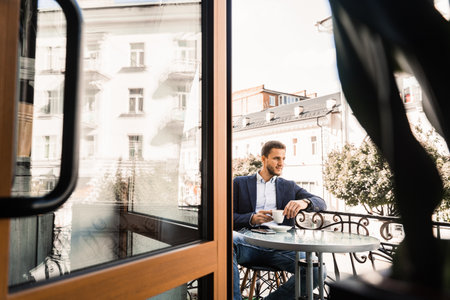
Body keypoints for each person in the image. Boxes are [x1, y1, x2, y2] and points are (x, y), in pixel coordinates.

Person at [233, 140, 327, 300]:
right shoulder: (240, 183)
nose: (281, 163)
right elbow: (226, 216)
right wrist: (251, 218)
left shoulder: (289, 186)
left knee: (317, 270)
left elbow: (321, 202)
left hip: (280, 247)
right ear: (263, 159)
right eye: (276, 158)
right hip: (247, 243)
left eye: (283, 159)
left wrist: (304, 202)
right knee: (226, 242)